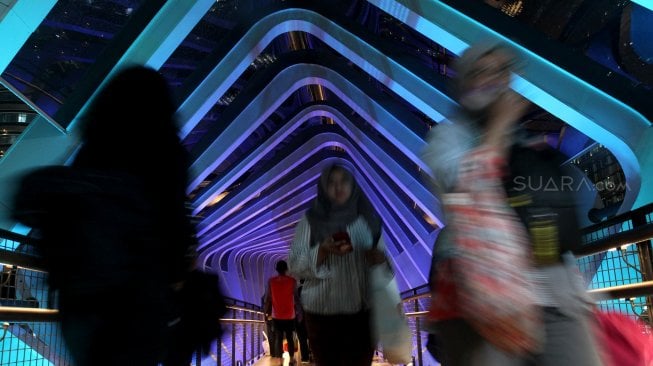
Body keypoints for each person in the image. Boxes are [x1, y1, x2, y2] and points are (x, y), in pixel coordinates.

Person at [11, 65, 211, 366]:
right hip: (137, 295)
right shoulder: (167, 153)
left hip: (81, 294)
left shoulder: (94, 148)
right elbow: (172, 224)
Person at [422, 42, 603, 365]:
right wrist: (499, 128)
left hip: (552, 289)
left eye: (502, 71)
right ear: (463, 84)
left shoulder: (525, 144)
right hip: (478, 295)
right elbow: (461, 195)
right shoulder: (447, 140)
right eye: (480, 72)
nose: (493, 80)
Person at [288, 164, 387, 366]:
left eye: (344, 181)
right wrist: (322, 250)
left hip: (361, 315)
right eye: (331, 182)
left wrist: (377, 259)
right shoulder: (310, 221)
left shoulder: (367, 220)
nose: (338, 187)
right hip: (323, 317)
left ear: (353, 186)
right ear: (323, 187)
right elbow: (294, 264)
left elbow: (384, 263)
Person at [264, 260, 299, 365]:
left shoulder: (271, 281)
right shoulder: (292, 281)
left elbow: (267, 298)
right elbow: (296, 297)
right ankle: (292, 359)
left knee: (278, 338)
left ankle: (279, 360)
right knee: (290, 337)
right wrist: (299, 312)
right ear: (286, 269)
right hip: (290, 315)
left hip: (276, 315)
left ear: (276, 269)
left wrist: (265, 312)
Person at [295, 279, 311, 364]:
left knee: (302, 339)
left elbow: (295, 304)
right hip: (310, 317)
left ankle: (305, 358)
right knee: (311, 337)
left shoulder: (297, 291)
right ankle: (312, 355)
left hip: (300, 318)